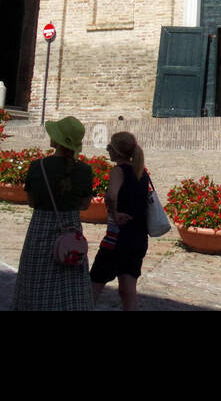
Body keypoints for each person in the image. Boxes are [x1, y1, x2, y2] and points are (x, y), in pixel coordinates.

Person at [12, 116, 94, 311]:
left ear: (56, 141)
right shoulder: (85, 170)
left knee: (35, 279)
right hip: (71, 228)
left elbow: (32, 202)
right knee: (70, 280)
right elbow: (84, 205)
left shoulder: (38, 166)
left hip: (41, 227)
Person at [90, 131, 150, 311]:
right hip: (138, 236)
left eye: (110, 145)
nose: (107, 148)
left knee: (94, 284)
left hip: (118, 237)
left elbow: (111, 195)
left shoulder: (118, 170)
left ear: (117, 150)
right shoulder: (141, 171)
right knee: (128, 290)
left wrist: (114, 214)